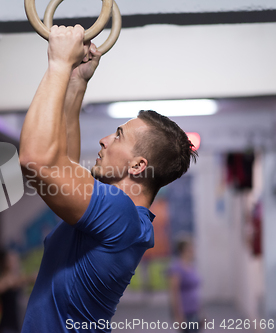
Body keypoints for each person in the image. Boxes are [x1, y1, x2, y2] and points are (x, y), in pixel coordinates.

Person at [18, 25, 197, 332]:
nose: (103, 140)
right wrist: (76, 82)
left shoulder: (120, 215)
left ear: (138, 165)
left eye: (117, 136)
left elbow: (36, 161)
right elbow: (66, 166)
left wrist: (58, 63)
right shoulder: (124, 217)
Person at [0, 250, 36, 333]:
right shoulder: (3, 279)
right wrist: (29, 278)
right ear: (6, 263)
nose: (15, 263)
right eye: (12, 261)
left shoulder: (19, 278)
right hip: (7, 327)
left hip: (19, 326)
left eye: (16, 261)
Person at [169, 236, 202, 333]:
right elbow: (174, 293)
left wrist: (201, 312)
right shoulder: (176, 268)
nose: (193, 250)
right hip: (184, 312)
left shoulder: (192, 266)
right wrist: (178, 315)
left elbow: (195, 291)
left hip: (194, 310)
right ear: (183, 250)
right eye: (190, 248)